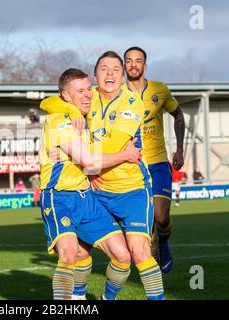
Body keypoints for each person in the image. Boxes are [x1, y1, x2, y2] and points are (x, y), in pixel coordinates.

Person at [41, 53, 165, 301]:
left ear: (123, 76)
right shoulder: (87, 98)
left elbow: (115, 144)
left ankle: (109, 298)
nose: (110, 73)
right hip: (96, 192)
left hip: (132, 191)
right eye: (104, 69)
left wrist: (92, 163)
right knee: (79, 254)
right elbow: (49, 102)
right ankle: (76, 299)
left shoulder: (133, 103)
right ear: (96, 75)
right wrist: (66, 108)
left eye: (116, 69)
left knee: (138, 253)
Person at [122, 46, 185, 273]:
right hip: (130, 165)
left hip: (157, 160)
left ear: (145, 66)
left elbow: (178, 114)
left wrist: (179, 150)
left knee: (161, 216)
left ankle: (164, 242)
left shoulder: (159, 90)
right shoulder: (117, 93)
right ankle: (149, 255)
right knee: (143, 221)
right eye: (129, 60)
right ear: (124, 65)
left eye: (138, 60)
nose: (133, 64)